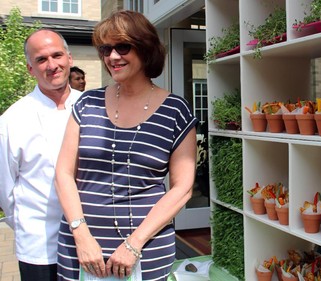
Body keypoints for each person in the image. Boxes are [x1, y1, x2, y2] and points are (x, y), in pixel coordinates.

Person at [55, 10, 198, 281]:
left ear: (145, 49)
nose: (112, 56)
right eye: (106, 49)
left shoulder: (175, 111)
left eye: (122, 46)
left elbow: (183, 188)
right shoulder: (87, 104)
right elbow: (63, 173)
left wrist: (134, 244)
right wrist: (81, 235)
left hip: (146, 249)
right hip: (82, 249)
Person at [0, 29, 82, 281]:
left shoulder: (92, 107)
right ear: (30, 69)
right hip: (39, 246)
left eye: (57, 55)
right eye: (41, 59)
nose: (52, 65)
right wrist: (27, 225)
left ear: (69, 58)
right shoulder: (12, 120)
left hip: (91, 241)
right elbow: (6, 189)